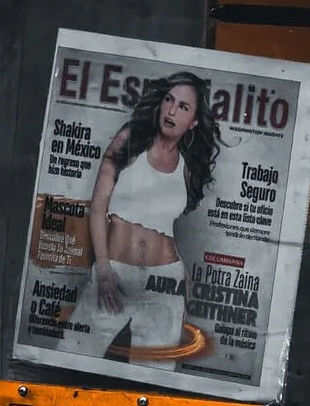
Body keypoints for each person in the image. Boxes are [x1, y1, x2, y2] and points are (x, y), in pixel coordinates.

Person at [55, 68, 219, 362]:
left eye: (183, 107)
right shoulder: (130, 139)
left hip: (165, 282)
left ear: (193, 122)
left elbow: (163, 224)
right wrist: (103, 270)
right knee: (71, 357)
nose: (171, 110)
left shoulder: (187, 167)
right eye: (169, 100)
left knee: (151, 376)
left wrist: (183, 276)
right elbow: (97, 207)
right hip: (115, 272)